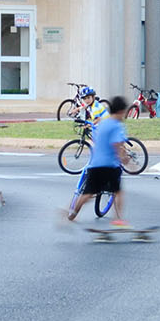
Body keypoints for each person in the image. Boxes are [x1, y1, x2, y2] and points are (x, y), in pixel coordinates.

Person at [66, 94, 130, 227]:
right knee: (117, 192)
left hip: (95, 164)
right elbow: (117, 145)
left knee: (87, 194)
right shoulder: (117, 126)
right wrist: (124, 159)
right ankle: (118, 219)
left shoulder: (102, 124)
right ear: (120, 111)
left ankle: (72, 214)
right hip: (110, 165)